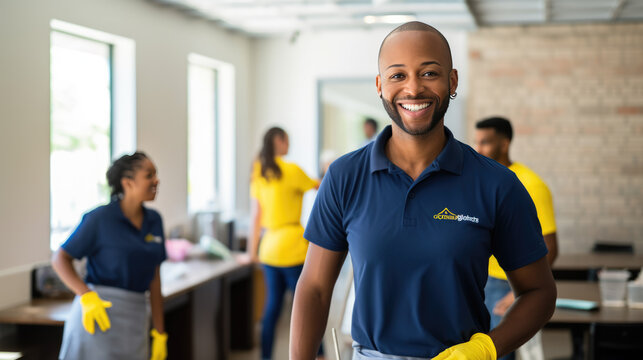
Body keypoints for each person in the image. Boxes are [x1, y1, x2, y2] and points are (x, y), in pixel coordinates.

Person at [290, 21, 557, 360]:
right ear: (380, 85)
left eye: (429, 73)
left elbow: (540, 293)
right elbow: (313, 288)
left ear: (452, 81)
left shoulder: (497, 184)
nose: (413, 89)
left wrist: (485, 348)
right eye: (398, 75)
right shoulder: (345, 176)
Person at [52, 152, 167, 360]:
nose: (156, 180)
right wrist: (85, 295)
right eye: (149, 175)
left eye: (156, 174)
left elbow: (155, 278)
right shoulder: (99, 219)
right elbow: (60, 258)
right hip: (97, 315)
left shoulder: (154, 220)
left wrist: (160, 333)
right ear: (128, 183)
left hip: (135, 316)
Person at [475, 116, 558, 360]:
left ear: (505, 144)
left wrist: (518, 294)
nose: (479, 150)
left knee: (499, 352)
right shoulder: (483, 180)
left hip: (507, 284)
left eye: (486, 143)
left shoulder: (531, 184)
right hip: (484, 281)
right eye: (477, 142)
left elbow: (551, 247)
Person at [244, 127, 324, 360]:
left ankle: (266, 357)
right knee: (308, 308)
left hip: (268, 249)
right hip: (293, 248)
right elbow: (322, 186)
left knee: (272, 309)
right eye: (287, 141)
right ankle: (319, 355)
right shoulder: (292, 170)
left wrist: (251, 253)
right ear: (279, 141)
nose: (289, 145)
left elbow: (255, 216)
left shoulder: (259, 171)